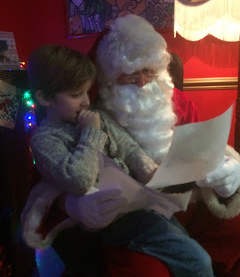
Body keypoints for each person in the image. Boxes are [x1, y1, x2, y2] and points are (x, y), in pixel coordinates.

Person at [21, 15, 240, 277]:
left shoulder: (176, 99)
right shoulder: (90, 109)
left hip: (182, 203)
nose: (143, 82)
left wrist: (229, 167)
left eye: (150, 71)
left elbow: (205, 143)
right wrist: (71, 204)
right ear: (109, 77)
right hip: (124, 216)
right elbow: (50, 175)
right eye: (131, 75)